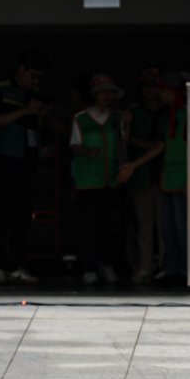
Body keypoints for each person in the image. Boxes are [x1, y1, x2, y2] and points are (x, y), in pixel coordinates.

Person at [0, 50, 51, 284]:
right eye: (33, 75)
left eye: (39, 78)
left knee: (23, 214)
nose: (35, 81)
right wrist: (24, 111)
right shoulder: (0, 88)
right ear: (21, 69)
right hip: (4, 156)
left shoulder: (34, 93)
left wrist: (41, 116)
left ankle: (16, 264)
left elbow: (36, 125)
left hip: (28, 157)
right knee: (0, 212)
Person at [70, 73, 131, 285]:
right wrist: (87, 153)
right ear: (95, 95)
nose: (107, 96)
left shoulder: (116, 118)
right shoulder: (81, 118)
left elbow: (124, 141)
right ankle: (89, 268)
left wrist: (127, 124)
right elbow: (74, 144)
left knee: (112, 225)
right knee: (89, 226)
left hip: (111, 180)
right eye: (103, 92)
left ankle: (108, 265)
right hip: (88, 181)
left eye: (110, 92)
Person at [120, 67, 167, 284]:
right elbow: (126, 141)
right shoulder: (134, 112)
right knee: (144, 224)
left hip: (166, 174)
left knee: (166, 224)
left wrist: (145, 146)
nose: (150, 90)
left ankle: (168, 268)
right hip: (141, 176)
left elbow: (163, 143)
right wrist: (127, 124)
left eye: (154, 85)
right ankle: (144, 268)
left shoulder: (169, 111)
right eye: (146, 86)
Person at [154, 72, 189, 285]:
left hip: (184, 177)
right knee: (167, 226)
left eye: (165, 89)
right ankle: (172, 268)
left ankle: (187, 270)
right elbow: (162, 146)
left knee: (182, 226)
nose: (161, 94)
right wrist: (134, 165)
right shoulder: (171, 117)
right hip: (168, 178)